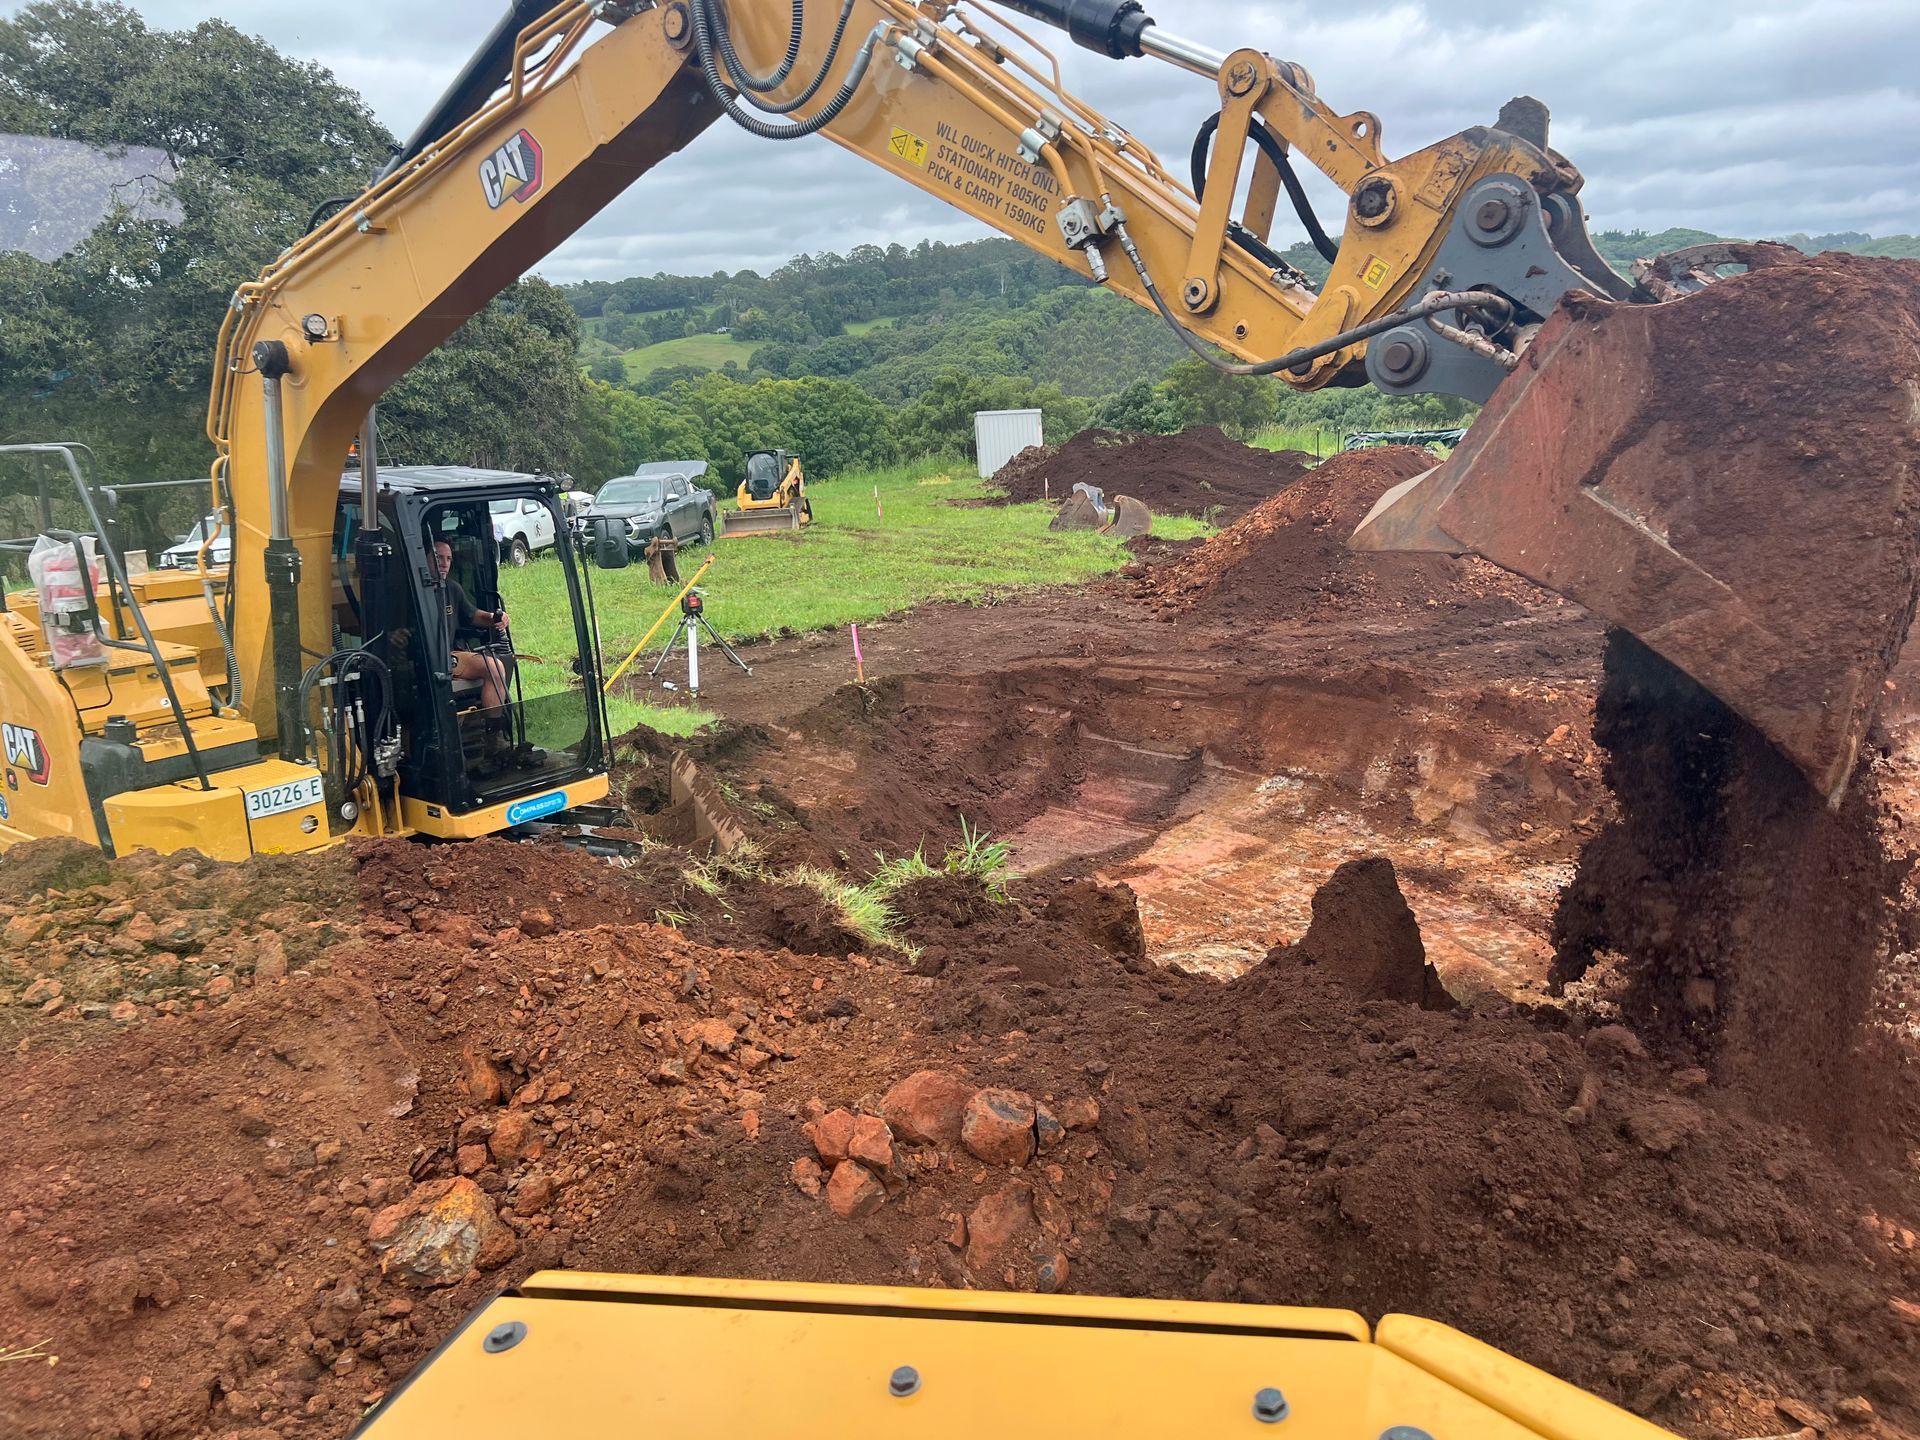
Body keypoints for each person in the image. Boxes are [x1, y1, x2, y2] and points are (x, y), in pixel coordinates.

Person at [430, 539, 508, 712]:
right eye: (438, 557)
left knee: (495, 667)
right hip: (421, 661)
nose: (444, 564)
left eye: (449, 559)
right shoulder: (411, 592)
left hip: (449, 657)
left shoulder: (452, 589)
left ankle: (494, 733)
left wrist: (494, 617)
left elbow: (473, 615)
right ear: (424, 558)